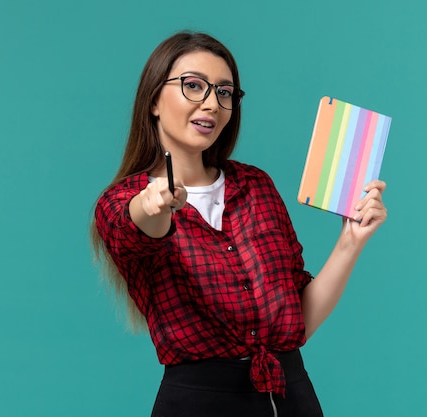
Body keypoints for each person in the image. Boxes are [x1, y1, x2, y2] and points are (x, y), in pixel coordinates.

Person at [91, 30, 387, 417]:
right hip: (199, 404)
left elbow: (297, 321)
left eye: (224, 92)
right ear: (153, 101)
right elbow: (137, 228)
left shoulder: (256, 186)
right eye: (193, 86)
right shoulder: (122, 202)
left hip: (292, 398)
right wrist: (154, 202)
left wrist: (352, 240)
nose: (212, 104)